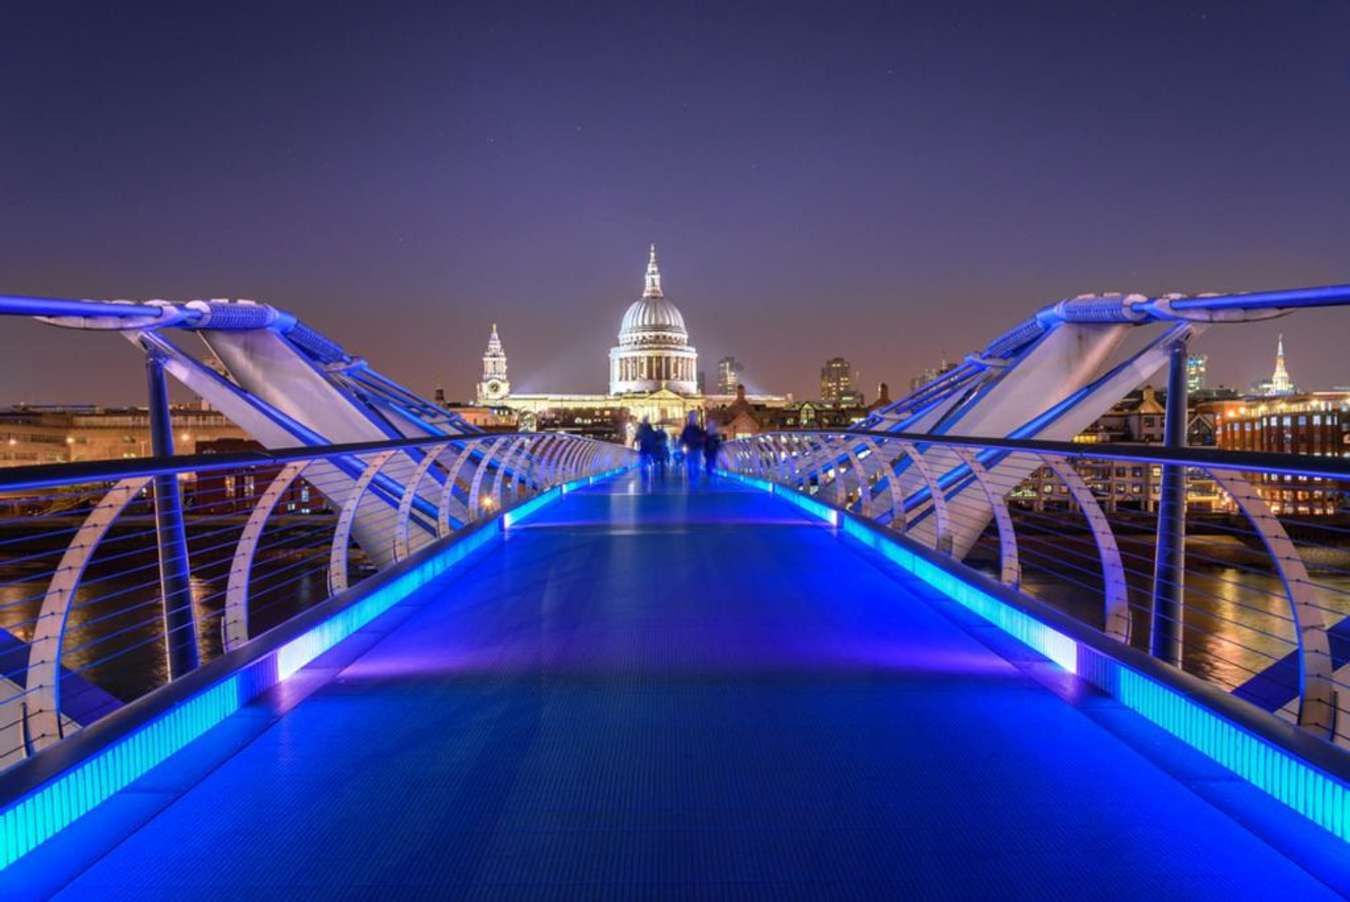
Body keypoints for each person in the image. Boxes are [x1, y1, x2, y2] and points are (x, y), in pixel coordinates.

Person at [679, 412, 706, 483]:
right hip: (690, 449)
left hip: (697, 449)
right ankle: (692, 481)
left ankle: (695, 481)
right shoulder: (687, 428)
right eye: (692, 417)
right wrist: (683, 446)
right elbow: (682, 438)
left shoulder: (698, 428)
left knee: (696, 465)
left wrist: (702, 443)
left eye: (694, 417)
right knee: (690, 465)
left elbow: (703, 437)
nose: (693, 419)